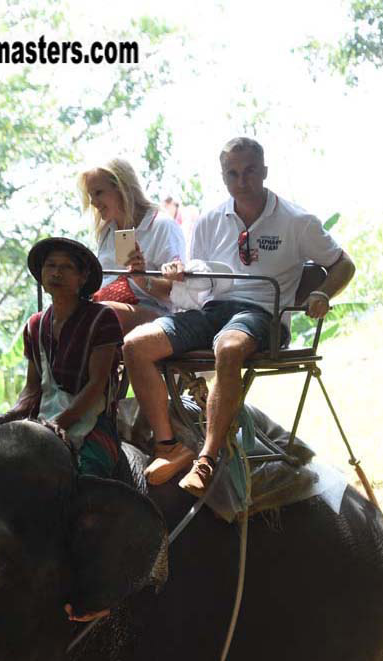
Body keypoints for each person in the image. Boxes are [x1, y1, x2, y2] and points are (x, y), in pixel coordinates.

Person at [123, 137, 356, 495]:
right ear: (223, 176)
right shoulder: (209, 221)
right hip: (212, 310)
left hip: (262, 315)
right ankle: (169, 446)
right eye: (232, 173)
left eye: (249, 171)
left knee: (228, 348)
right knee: (136, 344)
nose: (241, 180)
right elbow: (197, 284)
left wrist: (322, 292)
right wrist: (176, 275)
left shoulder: (297, 221)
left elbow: (344, 263)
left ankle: (207, 459)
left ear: (264, 171)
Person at [0, 237, 122, 479]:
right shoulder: (35, 325)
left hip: (92, 423)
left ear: (82, 278)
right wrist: (7, 417)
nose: (56, 273)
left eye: (66, 267)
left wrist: (60, 423)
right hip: (43, 420)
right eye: (50, 266)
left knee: (89, 481)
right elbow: (32, 388)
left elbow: (97, 384)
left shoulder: (102, 318)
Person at [78, 158, 186, 335]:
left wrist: (141, 279)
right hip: (105, 308)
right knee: (56, 316)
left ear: (122, 188)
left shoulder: (162, 226)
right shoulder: (107, 231)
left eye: (98, 193)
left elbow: (175, 292)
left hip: (156, 315)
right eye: (90, 196)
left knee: (102, 314)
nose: (93, 202)